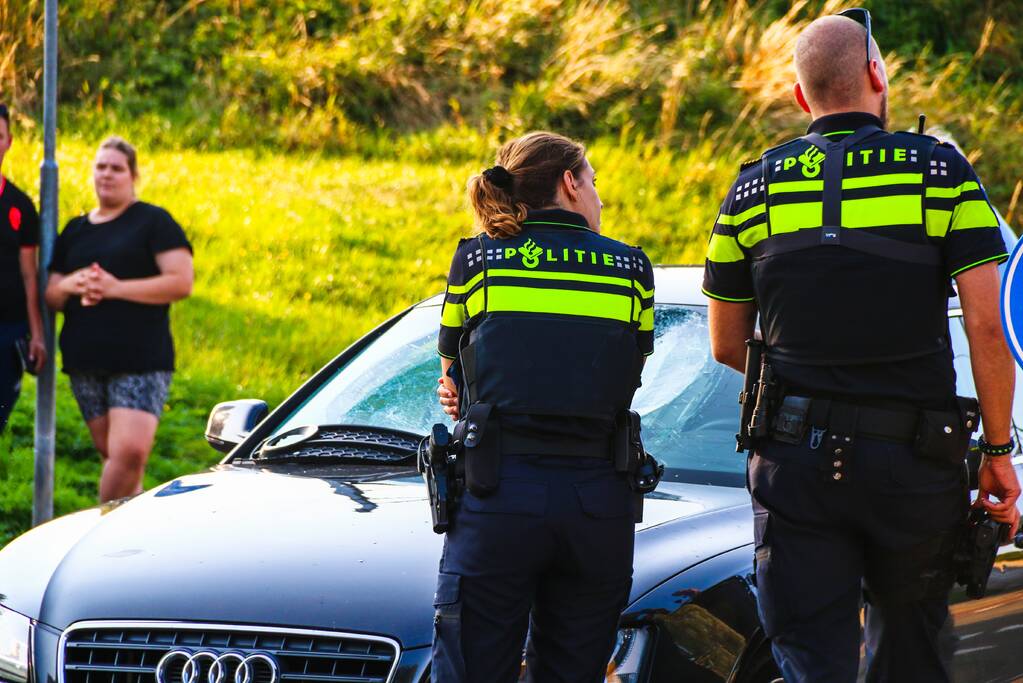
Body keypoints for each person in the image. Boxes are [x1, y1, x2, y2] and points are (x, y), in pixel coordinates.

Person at [704, 10, 1021, 682]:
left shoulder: (750, 189)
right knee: (908, 653)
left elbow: (727, 343)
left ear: (800, 97)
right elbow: (985, 327)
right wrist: (996, 452)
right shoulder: (941, 174)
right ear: (877, 75)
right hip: (914, 466)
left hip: (792, 467)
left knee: (809, 659)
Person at [432, 131, 655, 682]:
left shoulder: (477, 260)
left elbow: (454, 377)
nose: (599, 197)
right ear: (570, 183)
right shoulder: (631, 271)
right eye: (595, 182)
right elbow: (630, 369)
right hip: (597, 504)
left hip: (498, 496)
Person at [45, 136, 193, 502]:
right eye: (100, 167)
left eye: (116, 167)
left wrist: (114, 287)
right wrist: (73, 282)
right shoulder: (76, 230)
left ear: (133, 175)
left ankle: (100, 531)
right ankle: (131, 537)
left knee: (129, 453)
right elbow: (50, 293)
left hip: (141, 360)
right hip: (86, 362)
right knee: (117, 459)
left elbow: (180, 281)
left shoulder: (153, 221)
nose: (106, 174)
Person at [0, 103, 46, 432]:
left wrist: (38, 334)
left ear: (9, 142)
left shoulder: (20, 206)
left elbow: (31, 276)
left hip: (9, 329)